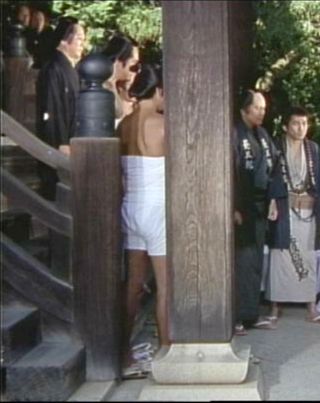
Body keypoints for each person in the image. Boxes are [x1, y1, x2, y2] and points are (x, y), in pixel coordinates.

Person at [117, 64, 168, 378]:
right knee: (165, 286)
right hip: (157, 207)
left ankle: (124, 354)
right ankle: (166, 353)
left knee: (133, 286)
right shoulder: (163, 125)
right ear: (158, 90)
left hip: (130, 206)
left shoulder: (125, 124)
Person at [256, 106, 320, 328]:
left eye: (304, 123)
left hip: (307, 209)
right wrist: (271, 199)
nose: (300, 128)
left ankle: (311, 305)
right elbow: (268, 176)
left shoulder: (313, 149)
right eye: (296, 123)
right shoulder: (276, 147)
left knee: (307, 256)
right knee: (280, 257)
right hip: (284, 208)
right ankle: (275, 306)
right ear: (286, 126)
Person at [233, 90, 284, 336]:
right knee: (242, 261)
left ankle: (251, 314)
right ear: (244, 109)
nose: (262, 112)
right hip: (242, 205)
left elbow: (275, 167)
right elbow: (229, 172)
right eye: (257, 108)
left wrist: (273, 198)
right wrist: (233, 206)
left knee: (255, 262)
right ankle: (236, 316)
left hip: (261, 205)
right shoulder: (234, 133)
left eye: (264, 108)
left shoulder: (263, 135)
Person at [35, 16, 85, 200]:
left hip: (70, 139)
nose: (83, 44)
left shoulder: (68, 68)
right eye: (79, 39)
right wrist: (62, 142)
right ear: (64, 40)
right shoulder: (53, 68)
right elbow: (51, 107)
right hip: (59, 142)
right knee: (55, 191)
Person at [101, 33, 141, 127]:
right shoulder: (102, 87)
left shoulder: (111, 85)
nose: (136, 70)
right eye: (133, 63)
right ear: (119, 60)